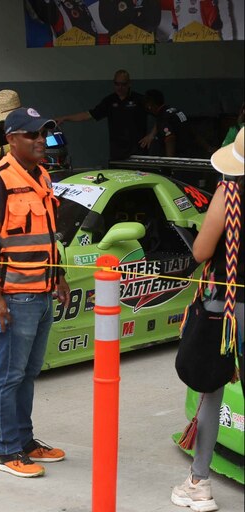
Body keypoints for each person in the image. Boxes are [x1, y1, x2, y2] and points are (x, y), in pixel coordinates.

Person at [0, 107, 71, 478]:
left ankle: (26, 441)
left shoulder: (42, 176)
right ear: (11, 139)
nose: (40, 142)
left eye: (43, 135)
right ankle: (8, 451)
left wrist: (59, 276)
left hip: (43, 292)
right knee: (9, 375)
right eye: (32, 135)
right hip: (15, 297)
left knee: (28, 373)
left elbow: (48, 234)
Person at [171, 128, 243, 512]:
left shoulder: (229, 194)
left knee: (212, 392)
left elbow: (201, 250)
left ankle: (199, 483)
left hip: (231, 310)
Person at [55, 69, 150, 161]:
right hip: (118, 151)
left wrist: (151, 135)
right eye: (117, 84)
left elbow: (161, 114)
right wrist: (65, 118)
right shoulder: (109, 101)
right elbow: (89, 114)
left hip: (138, 149)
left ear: (129, 83)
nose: (120, 87)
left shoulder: (139, 99)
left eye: (123, 84)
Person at [143, 89, 197, 157]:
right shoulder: (175, 111)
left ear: (150, 105)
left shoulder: (163, 117)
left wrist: (169, 161)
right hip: (191, 152)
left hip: (180, 156)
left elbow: (170, 138)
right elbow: (192, 131)